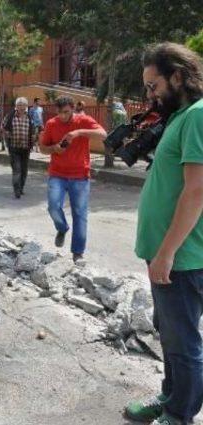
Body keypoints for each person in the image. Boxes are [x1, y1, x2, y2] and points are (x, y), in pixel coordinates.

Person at [125, 42, 203, 425]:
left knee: (184, 341)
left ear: (177, 76)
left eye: (153, 85)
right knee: (170, 334)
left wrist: (168, 251)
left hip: (182, 256)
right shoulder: (181, 115)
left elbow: (197, 189)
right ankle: (171, 396)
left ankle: (179, 415)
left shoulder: (198, 116)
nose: (150, 94)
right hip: (166, 252)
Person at [39, 96, 106, 263]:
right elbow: (42, 148)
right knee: (53, 207)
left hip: (80, 175)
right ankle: (62, 228)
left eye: (66, 112)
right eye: (60, 112)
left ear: (73, 109)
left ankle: (78, 253)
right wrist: (54, 148)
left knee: (80, 214)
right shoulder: (51, 124)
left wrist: (78, 132)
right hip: (57, 173)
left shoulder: (83, 120)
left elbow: (103, 134)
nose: (63, 116)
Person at [2, 97, 36, 199]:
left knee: (24, 170)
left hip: (26, 148)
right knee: (17, 169)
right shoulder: (10, 116)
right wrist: (6, 134)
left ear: (26, 106)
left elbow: (33, 130)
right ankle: (16, 190)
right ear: (16, 106)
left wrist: (34, 138)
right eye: (19, 105)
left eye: (23, 105)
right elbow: (3, 127)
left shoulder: (29, 117)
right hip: (14, 147)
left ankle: (21, 188)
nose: (21, 107)